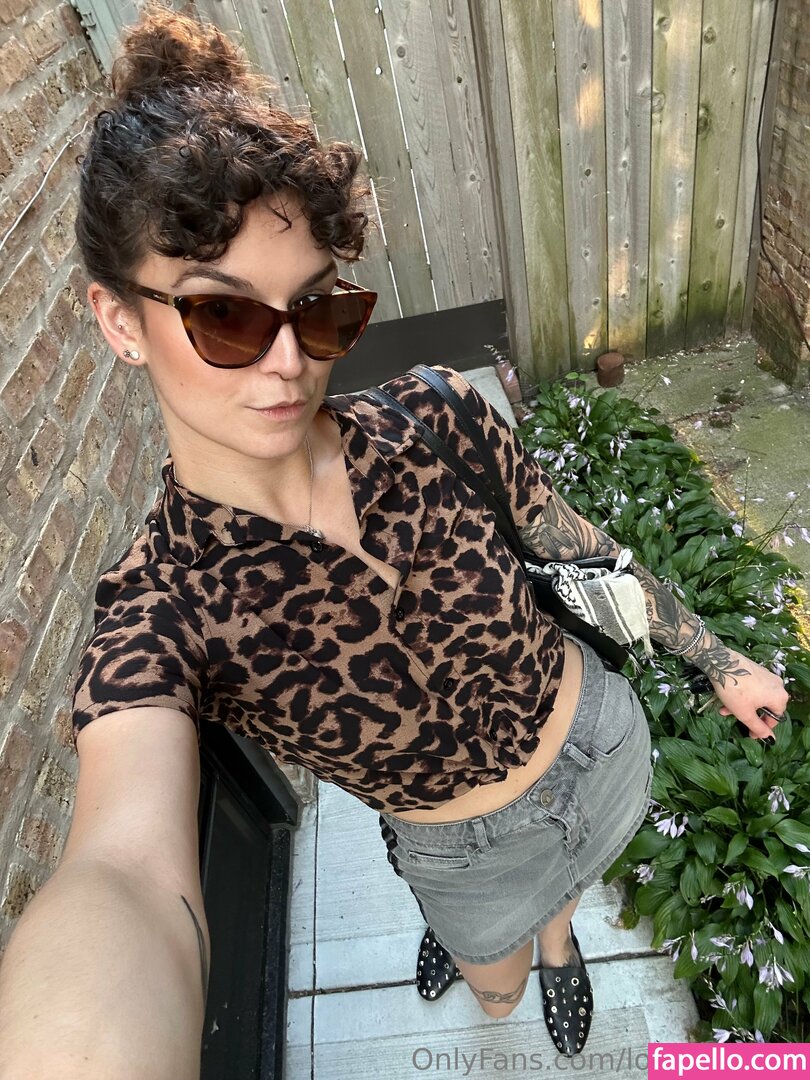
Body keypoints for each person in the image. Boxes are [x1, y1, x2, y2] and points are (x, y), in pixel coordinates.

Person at [0, 4, 789, 1075]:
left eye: (316, 308)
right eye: (224, 316)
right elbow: (125, 874)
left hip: (598, 744)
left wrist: (716, 658)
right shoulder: (162, 608)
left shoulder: (432, 415)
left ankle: (561, 941)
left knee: (564, 908)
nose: (289, 362)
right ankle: (485, 941)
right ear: (120, 322)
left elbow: (578, 551)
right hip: (460, 852)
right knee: (494, 988)